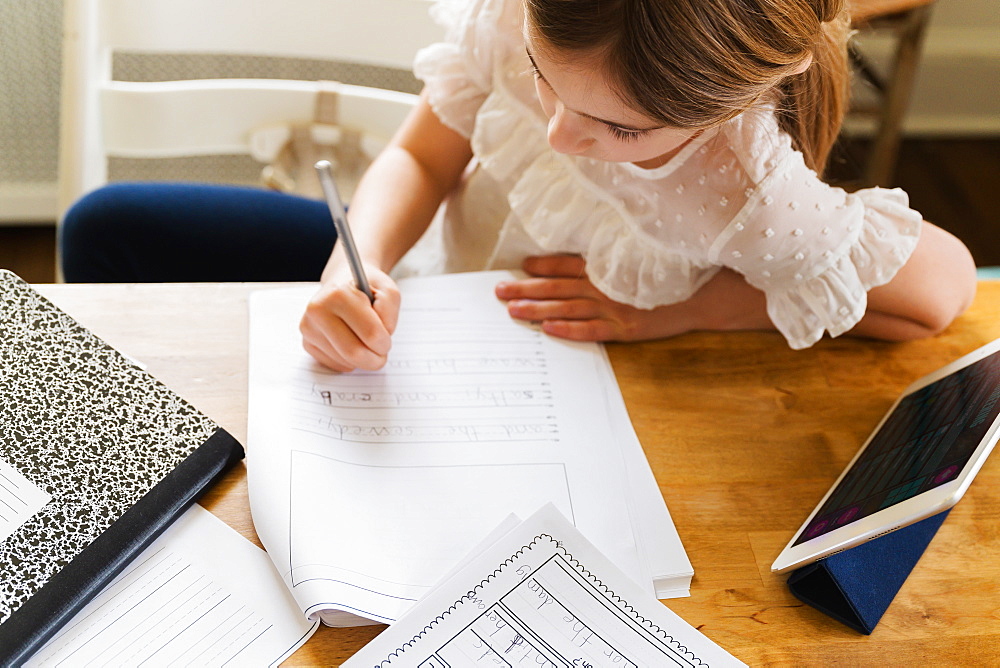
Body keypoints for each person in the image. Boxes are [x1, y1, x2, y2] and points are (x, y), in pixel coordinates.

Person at [62, 0, 977, 372]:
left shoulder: (746, 188)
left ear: (719, 115)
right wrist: (358, 264)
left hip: (569, 374)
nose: (556, 135)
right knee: (109, 225)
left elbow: (940, 292)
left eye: (620, 130)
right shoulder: (516, 16)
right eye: (544, 77)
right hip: (428, 276)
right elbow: (424, 157)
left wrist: (686, 311)